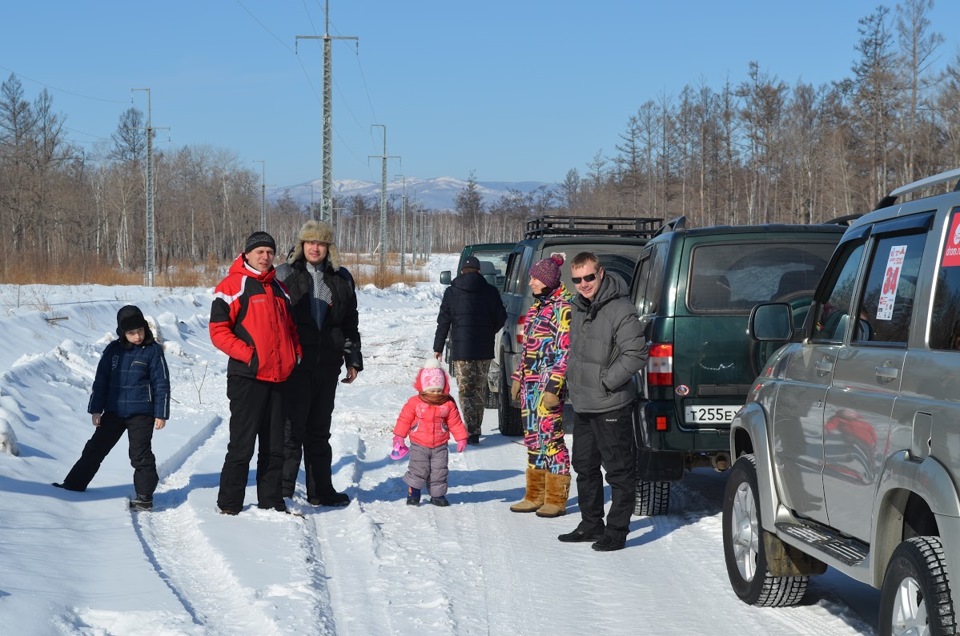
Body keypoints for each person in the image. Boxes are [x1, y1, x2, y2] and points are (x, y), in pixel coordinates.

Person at [559, 252, 648, 551]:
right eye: (577, 279)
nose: (583, 284)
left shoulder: (620, 308)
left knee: (620, 471)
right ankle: (591, 523)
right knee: (584, 466)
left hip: (611, 404)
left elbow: (635, 354)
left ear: (600, 274)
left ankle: (617, 531)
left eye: (588, 277)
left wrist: (607, 382)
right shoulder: (579, 307)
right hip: (583, 404)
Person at [209, 231, 302, 515]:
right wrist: (250, 357)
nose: (265, 257)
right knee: (242, 444)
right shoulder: (232, 286)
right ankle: (229, 504)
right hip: (246, 377)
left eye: (269, 252)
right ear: (247, 254)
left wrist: (295, 354)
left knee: (275, 445)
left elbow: (291, 329)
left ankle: (271, 500)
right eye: (259, 251)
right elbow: (218, 332)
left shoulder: (279, 288)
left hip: (279, 378)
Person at [275, 220, 362, 507]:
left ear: (328, 248)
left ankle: (320, 490)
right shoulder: (285, 275)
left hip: (327, 365)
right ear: (302, 245)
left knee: (319, 430)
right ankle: (283, 491)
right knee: (291, 430)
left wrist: (353, 359)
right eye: (310, 242)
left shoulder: (342, 278)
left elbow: (350, 322)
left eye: (321, 243)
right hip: (295, 366)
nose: (315, 248)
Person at [54, 305, 170, 511]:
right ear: (122, 332)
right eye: (132, 332)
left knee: (140, 455)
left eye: (140, 330)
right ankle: (73, 485)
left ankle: (144, 498)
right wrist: (96, 409)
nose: (137, 336)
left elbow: (161, 383)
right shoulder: (112, 351)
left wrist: (161, 413)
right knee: (95, 448)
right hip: (113, 412)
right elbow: (101, 381)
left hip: (142, 413)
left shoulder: (153, 351)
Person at [508, 254, 572, 518]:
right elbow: (527, 350)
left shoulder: (563, 308)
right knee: (533, 439)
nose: (531, 282)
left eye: (534, 278)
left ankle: (556, 498)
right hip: (529, 387)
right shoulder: (536, 308)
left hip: (547, 388)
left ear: (547, 280)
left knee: (551, 440)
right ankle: (534, 495)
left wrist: (553, 388)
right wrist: (517, 377)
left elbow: (565, 352)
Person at [433, 255, 507, 445]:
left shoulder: (452, 291)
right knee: (480, 390)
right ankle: (476, 428)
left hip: (462, 349)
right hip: (483, 350)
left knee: (466, 390)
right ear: (479, 271)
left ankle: (470, 429)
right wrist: (490, 331)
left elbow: (444, 321)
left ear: (462, 272)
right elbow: (501, 317)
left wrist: (438, 347)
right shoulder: (490, 291)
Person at [392, 357, 469, 507]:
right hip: (419, 444)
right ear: (424, 388)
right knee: (418, 469)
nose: (435, 393)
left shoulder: (447, 404)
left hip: (440, 445)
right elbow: (404, 420)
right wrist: (399, 437)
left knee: (439, 471)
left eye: (438, 390)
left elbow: (455, 422)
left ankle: (438, 495)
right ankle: (413, 493)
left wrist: (461, 438)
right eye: (432, 390)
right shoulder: (415, 402)